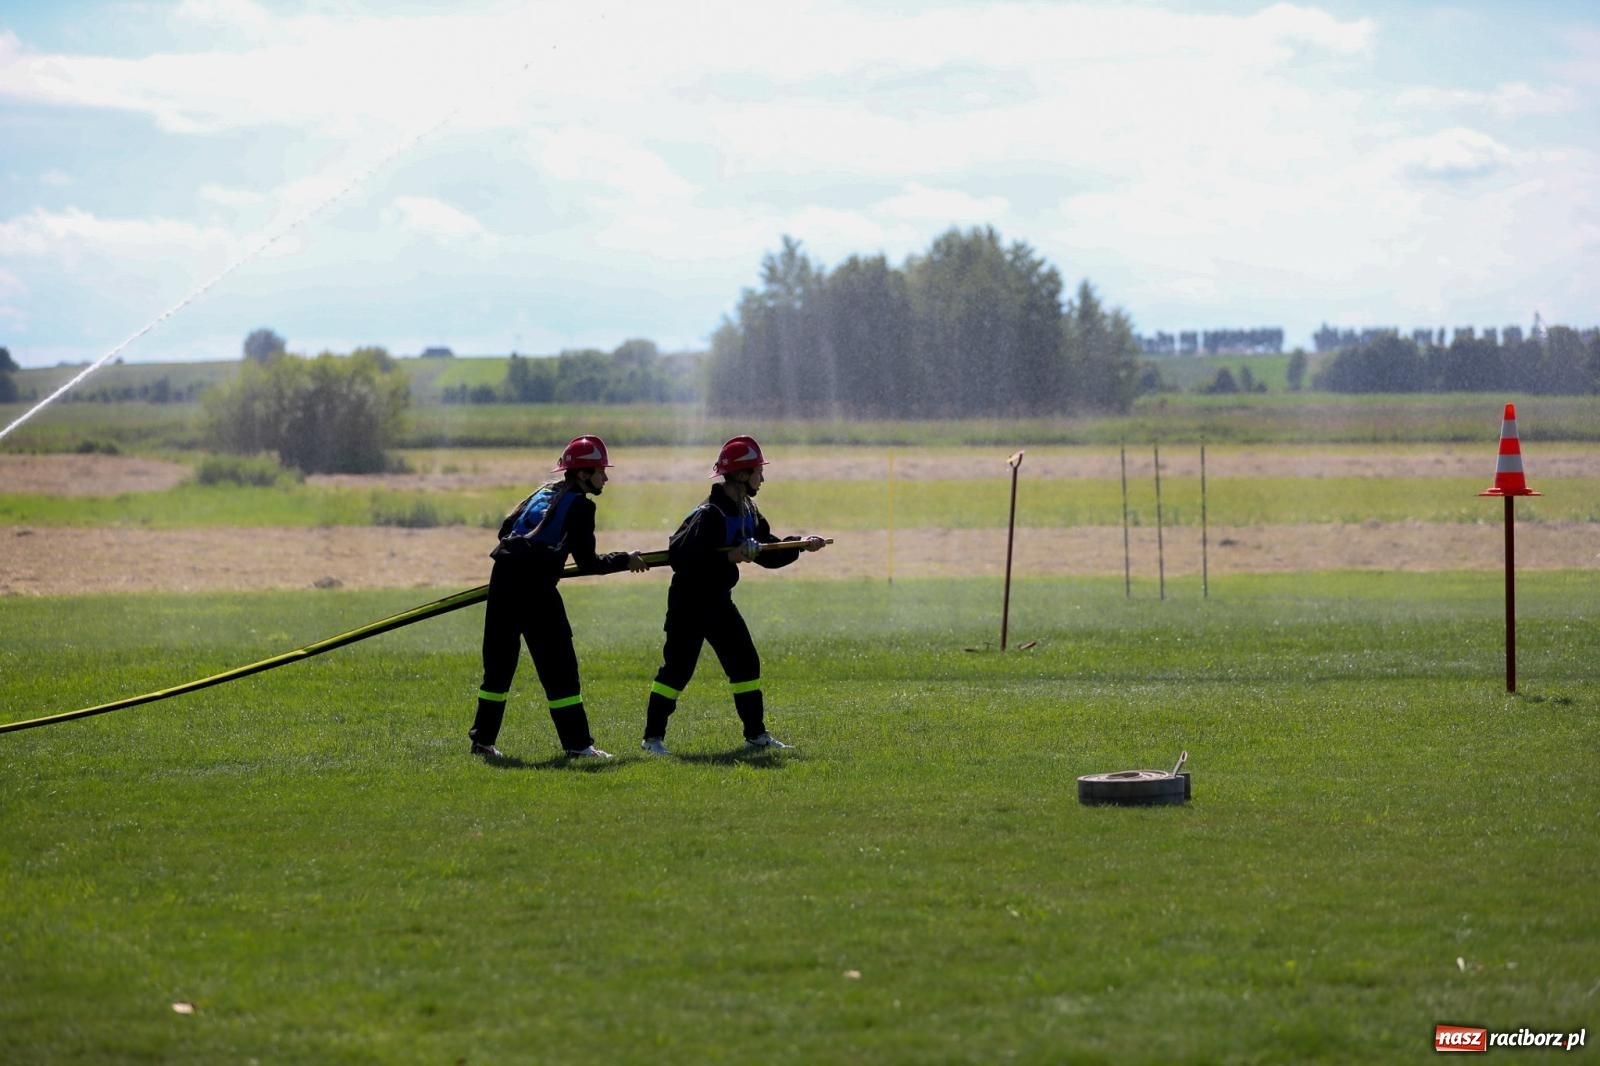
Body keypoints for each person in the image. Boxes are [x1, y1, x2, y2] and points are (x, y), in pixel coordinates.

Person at [640, 435, 825, 755]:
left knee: (745, 664)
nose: (762, 478)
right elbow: (682, 557)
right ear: (741, 475)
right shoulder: (709, 513)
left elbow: (768, 550)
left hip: (719, 602)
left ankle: (755, 735)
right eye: (757, 471)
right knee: (677, 670)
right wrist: (730, 557)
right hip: (689, 602)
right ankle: (652, 739)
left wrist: (800, 544)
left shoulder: (748, 509)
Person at [469, 435, 647, 759]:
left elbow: (506, 530)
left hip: (502, 579)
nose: (605, 477)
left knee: (498, 666)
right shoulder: (581, 506)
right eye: (599, 471)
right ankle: (578, 745)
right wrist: (625, 559)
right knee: (559, 668)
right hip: (535, 590)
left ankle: (482, 742)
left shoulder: (541, 492)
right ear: (581, 474)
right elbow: (589, 563)